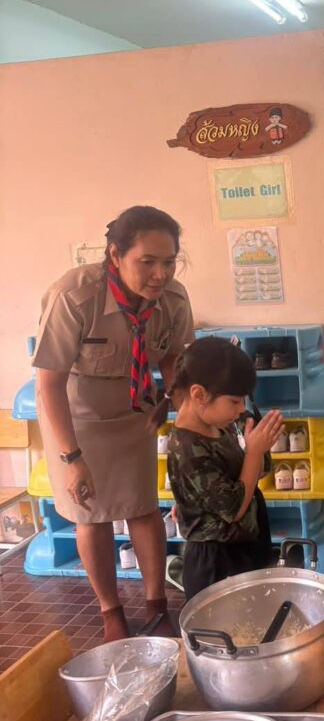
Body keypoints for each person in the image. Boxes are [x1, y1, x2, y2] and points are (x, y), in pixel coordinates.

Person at [33, 206, 195, 642]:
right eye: (148, 261)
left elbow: (173, 360)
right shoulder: (75, 296)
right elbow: (49, 384)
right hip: (76, 417)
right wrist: (72, 458)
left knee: (143, 506)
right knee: (91, 514)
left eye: (169, 261)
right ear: (115, 255)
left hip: (135, 410)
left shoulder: (174, 299)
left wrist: (185, 418)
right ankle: (111, 612)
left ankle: (157, 606)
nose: (160, 274)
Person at [155, 337, 284, 600]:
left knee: (257, 612)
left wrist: (258, 449)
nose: (241, 409)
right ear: (199, 395)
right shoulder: (188, 447)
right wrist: (254, 452)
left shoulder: (219, 425)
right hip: (217, 560)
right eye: (234, 402)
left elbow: (252, 471)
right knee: (230, 620)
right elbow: (233, 509)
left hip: (244, 543)